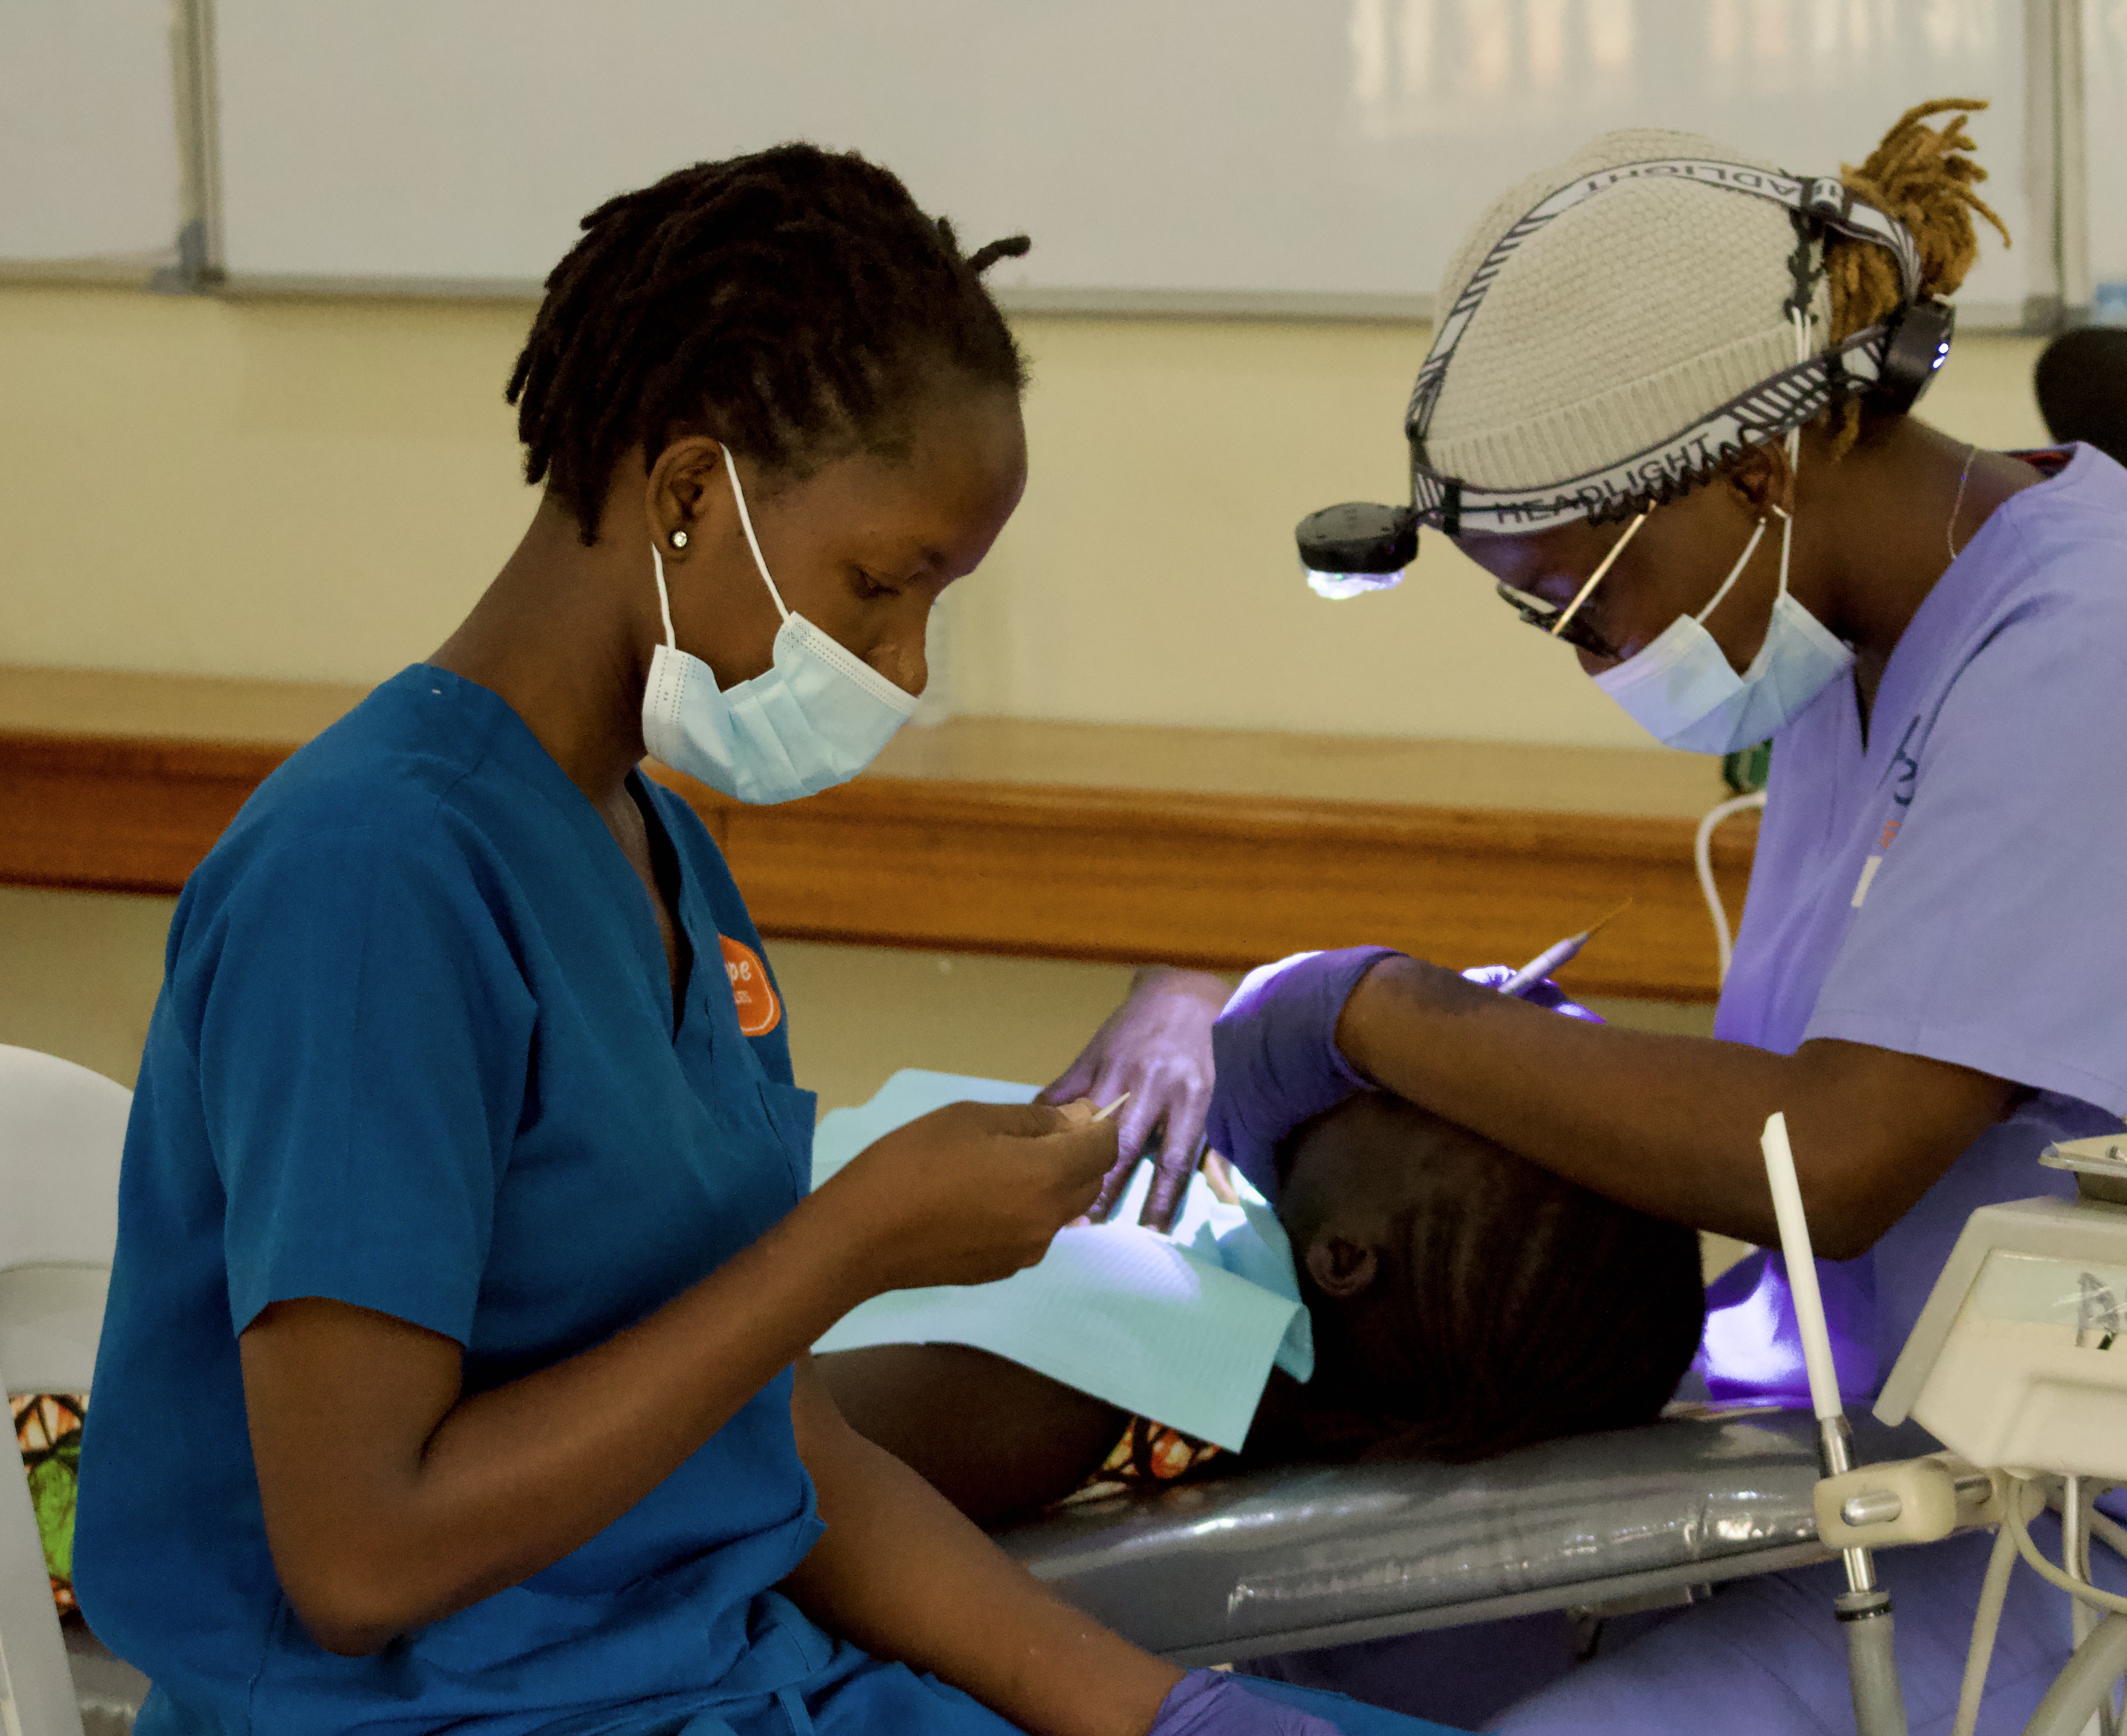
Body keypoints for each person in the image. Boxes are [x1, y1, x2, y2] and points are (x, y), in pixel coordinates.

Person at [1052, 103, 2127, 1733]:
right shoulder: (1854, 653)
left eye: (1581, 602)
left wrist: (1373, 1009)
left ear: (1756, 471)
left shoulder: (2097, 653)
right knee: (1384, 1658)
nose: (1588, 655)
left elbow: (1835, 1157)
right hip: (1915, 1458)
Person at [72, 144, 1453, 1736]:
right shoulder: (374, 878)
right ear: (684, 495)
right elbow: (360, 1555)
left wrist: (1158, 1711)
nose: (905, 664)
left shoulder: (662, 860)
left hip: (713, 1681)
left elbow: (772, 1446)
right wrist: (852, 1240)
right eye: (881, 584)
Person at [820, 1085, 1707, 1526]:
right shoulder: (1230, 1257)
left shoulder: (1081, 1374)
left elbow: (758, 1449)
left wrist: (865, 1220)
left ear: (1344, 1259)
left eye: (1426, 1100)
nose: (1377, 1079)